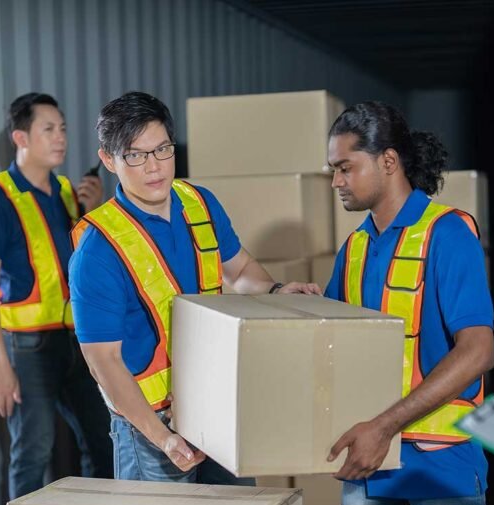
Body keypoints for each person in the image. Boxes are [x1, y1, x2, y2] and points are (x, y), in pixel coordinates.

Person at [324, 101, 494, 505]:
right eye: (332, 170)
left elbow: (478, 352)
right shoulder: (355, 249)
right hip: (371, 467)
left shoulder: (448, 234)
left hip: (441, 463)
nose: (336, 181)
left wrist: (384, 424)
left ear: (388, 161)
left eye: (345, 167)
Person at [69, 92, 321, 484]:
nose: (154, 166)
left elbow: (239, 271)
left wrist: (274, 291)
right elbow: (104, 362)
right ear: (109, 160)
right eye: (135, 155)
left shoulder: (199, 203)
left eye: (162, 149)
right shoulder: (98, 250)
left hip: (215, 405)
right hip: (152, 428)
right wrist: (163, 438)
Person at [0, 92, 112, 500]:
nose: (60, 137)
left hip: (75, 341)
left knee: (102, 441)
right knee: (33, 453)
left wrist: (91, 211)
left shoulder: (66, 192)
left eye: (62, 128)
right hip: (28, 348)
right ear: (21, 138)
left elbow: (84, 263)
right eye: (48, 129)